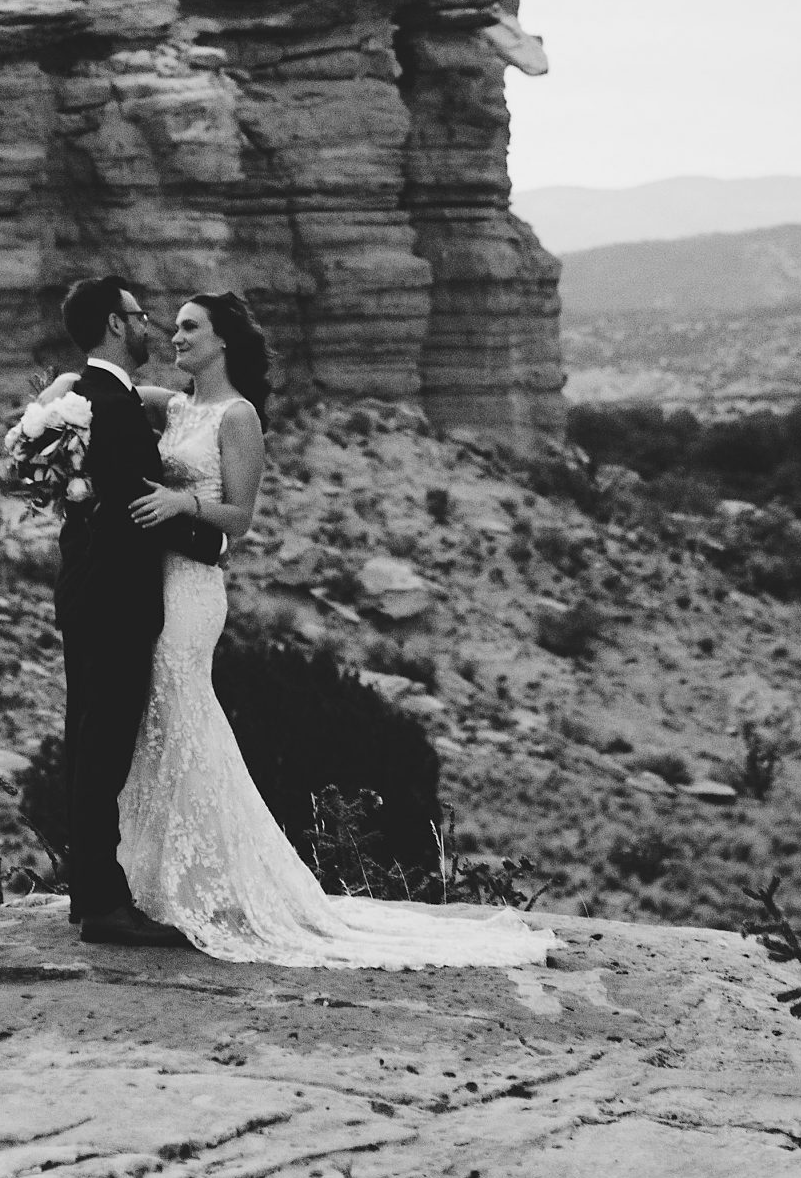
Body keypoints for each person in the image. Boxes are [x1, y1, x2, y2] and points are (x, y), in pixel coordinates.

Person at [114, 290, 555, 970]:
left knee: (183, 708)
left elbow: (240, 517)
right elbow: (105, 389)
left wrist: (183, 502)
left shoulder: (238, 417)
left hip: (195, 588)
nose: (176, 337)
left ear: (223, 340)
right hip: (155, 578)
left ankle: (206, 881)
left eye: (190, 328)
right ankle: (159, 878)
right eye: (173, 328)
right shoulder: (175, 407)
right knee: (159, 717)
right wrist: (52, 404)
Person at [50, 273, 223, 948]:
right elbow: (134, 503)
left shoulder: (86, 397)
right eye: (140, 315)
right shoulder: (111, 406)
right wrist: (213, 542)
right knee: (103, 749)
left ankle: (87, 892)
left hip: (84, 591)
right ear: (116, 325)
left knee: (85, 741)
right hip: (116, 599)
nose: (150, 325)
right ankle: (103, 905)